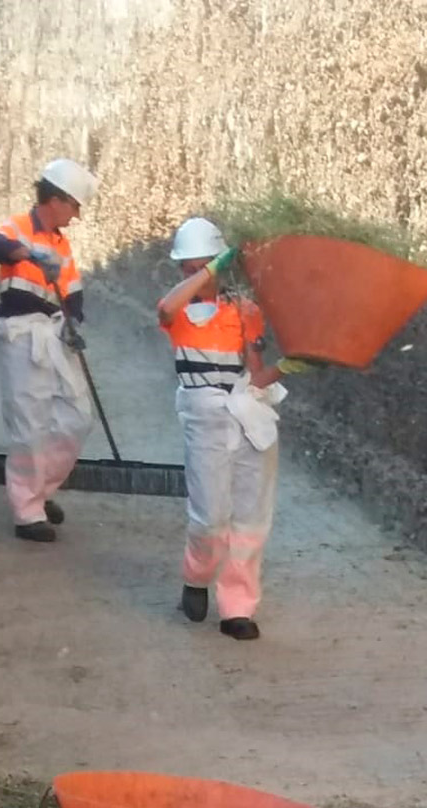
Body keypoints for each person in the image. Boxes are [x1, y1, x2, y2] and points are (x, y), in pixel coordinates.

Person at [155, 217, 311, 641]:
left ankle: (237, 607)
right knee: (209, 518)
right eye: (186, 267)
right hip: (203, 418)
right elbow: (166, 308)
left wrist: (287, 366)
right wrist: (208, 271)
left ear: (220, 264)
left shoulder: (245, 311)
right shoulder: (179, 312)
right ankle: (196, 574)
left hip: (246, 414)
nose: (193, 273)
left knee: (251, 517)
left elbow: (254, 375)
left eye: (200, 265)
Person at [0, 159, 98, 542]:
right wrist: (31, 256)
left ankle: (41, 489)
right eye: (75, 206)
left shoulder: (62, 244)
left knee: (77, 416)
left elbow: (75, 292)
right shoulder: (17, 227)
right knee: (29, 425)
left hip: (55, 333)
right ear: (57, 199)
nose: (77, 214)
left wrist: (74, 322)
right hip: (21, 335)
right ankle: (27, 512)